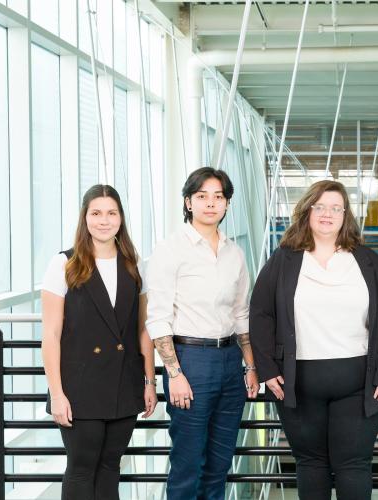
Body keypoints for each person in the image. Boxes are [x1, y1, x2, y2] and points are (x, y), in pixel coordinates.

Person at [250, 180, 378, 500]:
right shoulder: (284, 259)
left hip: (359, 381)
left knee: (354, 466)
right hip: (298, 381)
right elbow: (260, 313)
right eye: (320, 207)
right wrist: (266, 368)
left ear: (346, 215)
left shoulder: (367, 260)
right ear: (307, 211)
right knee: (311, 464)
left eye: (336, 208)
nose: (327, 214)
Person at [145, 167, 259, 500]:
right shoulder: (170, 249)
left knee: (219, 465)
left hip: (229, 363)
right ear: (188, 202)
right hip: (190, 361)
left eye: (218, 197)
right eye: (202, 196)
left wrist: (250, 367)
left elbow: (241, 315)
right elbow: (158, 318)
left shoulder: (234, 254)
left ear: (226, 204)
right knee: (187, 465)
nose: (211, 203)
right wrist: (175, 373)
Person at [41, 184, 157, 500]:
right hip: (79, 386)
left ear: (120, 218)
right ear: (85, 217)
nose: (103, 221)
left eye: (111, 213)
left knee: (110, 468)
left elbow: (143, 330)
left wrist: (149, 382)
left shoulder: (134, 263)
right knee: (80, 469)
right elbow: (50, 335)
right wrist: (57, 394)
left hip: (124, 382)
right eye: (96, 213)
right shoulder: (64, 264)